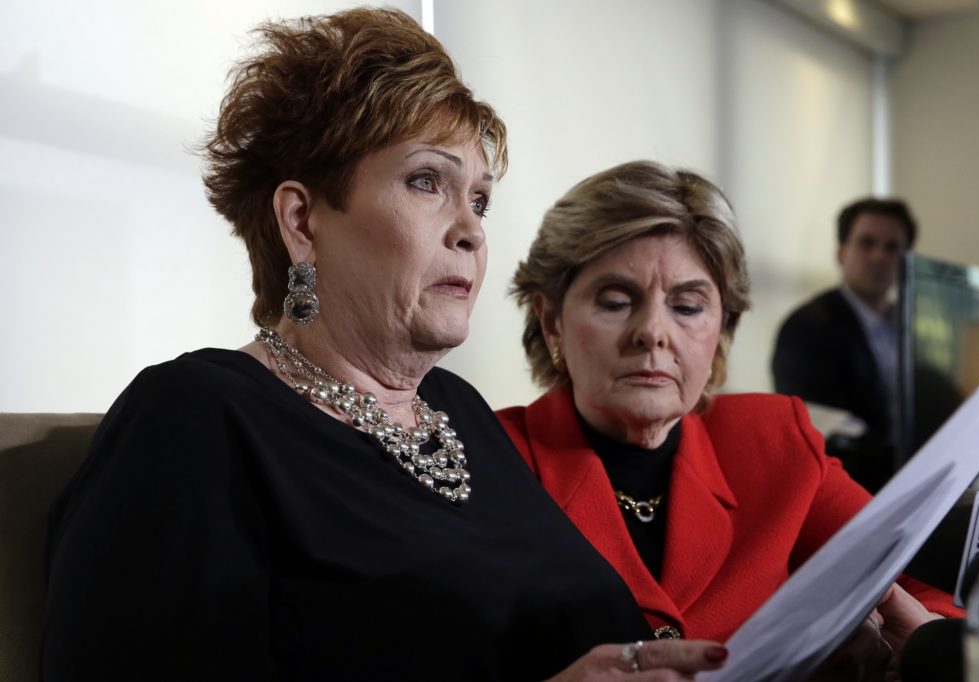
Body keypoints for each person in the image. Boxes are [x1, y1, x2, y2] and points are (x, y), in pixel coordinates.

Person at [40, 11, 728, 681]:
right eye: (427, 182)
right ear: (303, 220)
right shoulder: (193, 418)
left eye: (480, 200)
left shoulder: (460, 412)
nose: (471, 231)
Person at [497, 162, 961, 678]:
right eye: (615, 301)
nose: (653, 332)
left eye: (688, 307)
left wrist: (909, 646)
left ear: (722, 329)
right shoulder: (485, 457)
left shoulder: (773, 438)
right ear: (551, 321)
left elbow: (924, 592)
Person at [771, 198, 917, 492]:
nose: (879, 256)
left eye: (892, 247)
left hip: (916, 485)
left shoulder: (914, 328)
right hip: (848, 491)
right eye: (866, 243)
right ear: (841, 253)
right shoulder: (806, 328)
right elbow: (822, 428)